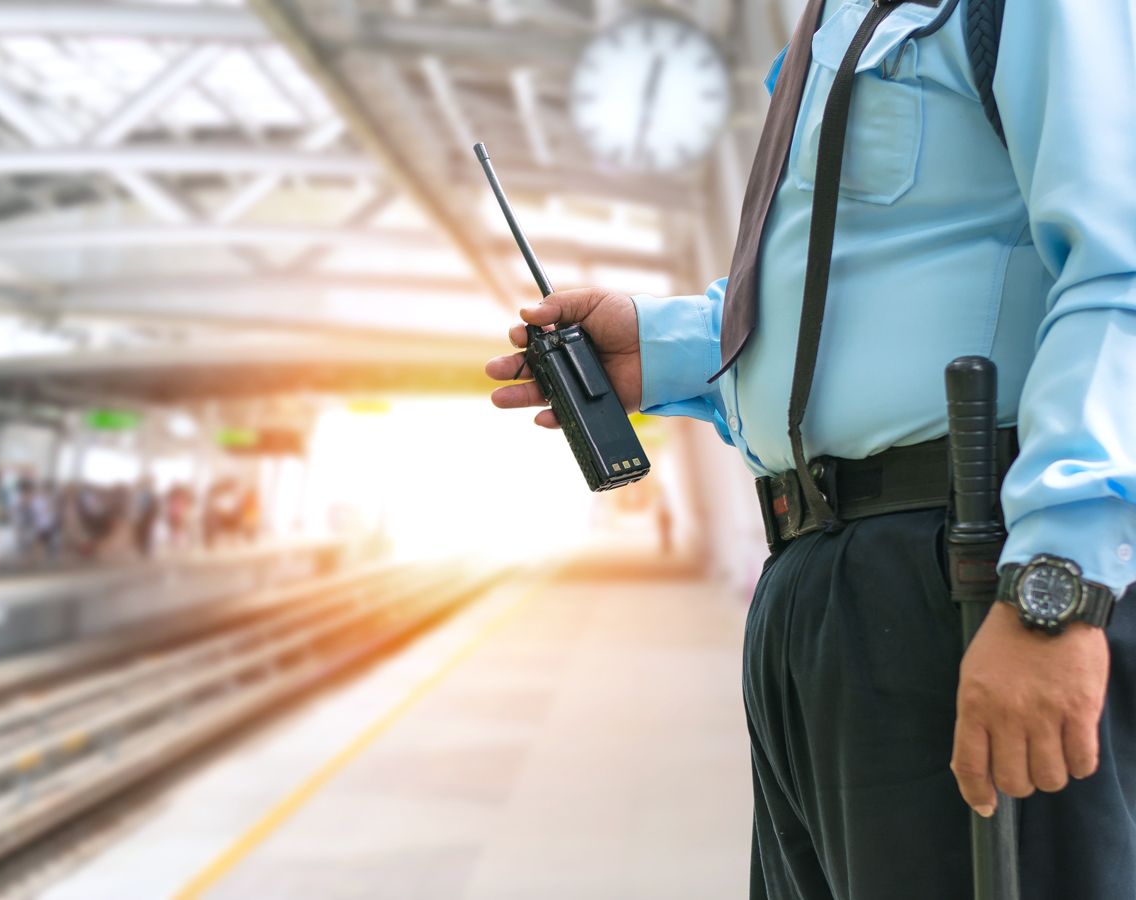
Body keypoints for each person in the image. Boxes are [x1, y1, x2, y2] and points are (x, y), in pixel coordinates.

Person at [485, 0, 1136, 897]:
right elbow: (859, 288)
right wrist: (669, 345)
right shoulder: (832, 18)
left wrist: (1053, 594)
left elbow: (1120, 272)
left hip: (972, 572)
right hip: (823, 592)